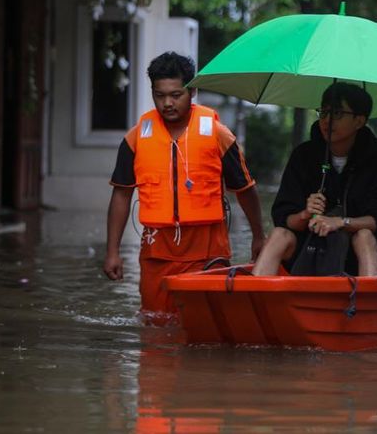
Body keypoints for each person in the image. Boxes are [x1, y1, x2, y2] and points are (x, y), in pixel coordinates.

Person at [103, 52, 265, 325]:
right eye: (159, 95)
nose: (167, 103)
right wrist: (112, 251)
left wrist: (259, 236)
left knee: (207, 325)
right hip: (157, 250)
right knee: (156, 325)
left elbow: (245, 189)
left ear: (193, 91)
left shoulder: (218, 134)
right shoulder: (135, 139)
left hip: (207, 248)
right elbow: (121, 194)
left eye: (176, 95)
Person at [252, 83, 377, 277]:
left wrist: (341, 222)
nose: (327, 120)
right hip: (311, 246)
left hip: (361, 251)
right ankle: (256, 300)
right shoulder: (303, 155)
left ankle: (367, 304)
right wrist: (305, 214)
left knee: (364, 236)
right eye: (323, 112)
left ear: (359, 120)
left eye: (337, 114)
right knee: (278, 235)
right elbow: (284, 217)